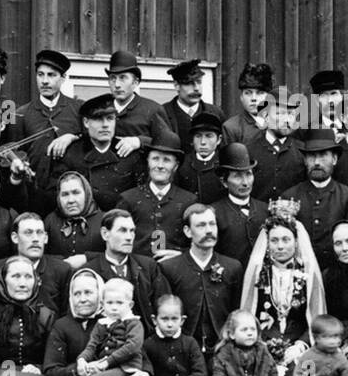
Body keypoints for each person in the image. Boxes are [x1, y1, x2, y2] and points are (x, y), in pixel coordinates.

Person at [240, 205, 327, 376]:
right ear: (267, 243)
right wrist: (264, 344)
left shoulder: (308, 274)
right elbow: (249, 316)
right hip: (263, 344)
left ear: (296, 242)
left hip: (300, 346)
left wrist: (301, 345)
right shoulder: (258, 273)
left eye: (286, 240)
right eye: (275, 240)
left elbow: (316, 317)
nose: (280, 246)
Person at [160, 203, 244, 355]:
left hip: (223, 350)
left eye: (212, 224)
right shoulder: (169, 268)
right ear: (187, 231)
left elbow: (236, 310)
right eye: (201, 225)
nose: (209, 231)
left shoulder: (232, 267)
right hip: (183, 351)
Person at [278, 129, 348, 267]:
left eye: (323, 155)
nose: (317, 162)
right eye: (311, 156)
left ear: (334, 159)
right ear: (305, 160)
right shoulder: (289, 197)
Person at [49, 94, 148, 211]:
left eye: (110, 119)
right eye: (98, 119)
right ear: (86, 122)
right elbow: (57, 197)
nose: (105, 125)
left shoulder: (129, 153)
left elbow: (141, 199)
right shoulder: (70, 154)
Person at [15, 50, 83, 205]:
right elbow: (13, 150)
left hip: (70, 197)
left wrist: (71, 136)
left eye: (51, 75)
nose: (45, 81)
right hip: (34, 196)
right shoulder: (20, 113)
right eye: (40, 75)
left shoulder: (78, 109)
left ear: (63, 78)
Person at [116, 130, 196, 259]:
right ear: (148, 162)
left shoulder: (188, 201)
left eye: (166, 160)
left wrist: (181, 255)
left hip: (175, 270)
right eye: (155, 159)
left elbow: (197, 242)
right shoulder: (128, 199)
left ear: (175, 166)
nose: (160, 165)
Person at [0, 212, 74, 316]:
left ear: (45, 238)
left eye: (39, 233)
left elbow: (66, 315)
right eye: (28, 233)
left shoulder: (62, 270)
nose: (35, 239)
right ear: (15, 237)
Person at [87, 209, 172, 324]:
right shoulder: (90, 271)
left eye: (132, 231)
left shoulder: (149, 267)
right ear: (105, 234)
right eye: (122, 230)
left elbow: (164, 306)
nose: (129, 237)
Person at [211, 142, 269, 265]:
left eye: (248, 174)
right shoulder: (214, 213)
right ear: (224, 182)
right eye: (237, 176)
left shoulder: (265, 210)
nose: (245, 183)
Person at [105, 51, 170, 149]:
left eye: (123, 78)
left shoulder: (153, 110)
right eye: (113, 78)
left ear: (135, 83)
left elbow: (168, 142)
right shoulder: (102, 108)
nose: (117, 84)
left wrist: (140, 141)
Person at [245, 97, 306, 202]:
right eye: (280, 114)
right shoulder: (248, 150)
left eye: (291, 114)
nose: (287, 120)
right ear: (266, 116)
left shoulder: (302, 151)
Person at [43, 170, 103, 265]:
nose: (71, 200)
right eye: (65, 194)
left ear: (86, 193)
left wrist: (87, 258)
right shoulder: (50, 221)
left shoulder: (103, 220)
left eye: (76, 193)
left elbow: (115, 256)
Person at [161, 59, 225, 139]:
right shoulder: (162, 113)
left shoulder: (216, 113)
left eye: (199, 82)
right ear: (177, 85)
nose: (196, 88)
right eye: (189, 83)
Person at [176, 113, 225, 203]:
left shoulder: (225, 163)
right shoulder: (183, 164)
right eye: (198, 136)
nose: (203, 142)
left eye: (209, 136)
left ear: (219, 140)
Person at [222, 62, 273, 145]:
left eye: (260, 93)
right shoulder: (231, 128)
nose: (253, 98)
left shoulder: (280, 124)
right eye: (248, 93)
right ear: (241, 97)